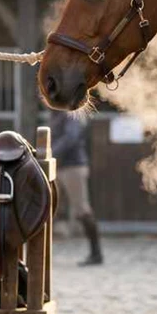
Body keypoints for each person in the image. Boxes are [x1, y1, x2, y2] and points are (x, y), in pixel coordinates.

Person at [49, 110, 103, 266]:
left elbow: (70, 138)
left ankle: (96, 253)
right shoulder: (55, 114)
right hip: (59, 166)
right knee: (49, 207)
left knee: (82, 210)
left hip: (73, 166)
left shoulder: (70, 114)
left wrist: (51, 152)